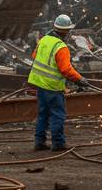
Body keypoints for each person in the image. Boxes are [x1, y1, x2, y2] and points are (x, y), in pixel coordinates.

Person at [27, 14, 88, 152]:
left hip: (40, 84)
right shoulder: (61, 47)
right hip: (52, 87)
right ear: (67, 31)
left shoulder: (44, 40)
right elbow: (66, 70)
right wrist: (80, 79)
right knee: (57, 114)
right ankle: (58, 143)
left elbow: (34, 56)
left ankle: (39, 142)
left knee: (43, 114)